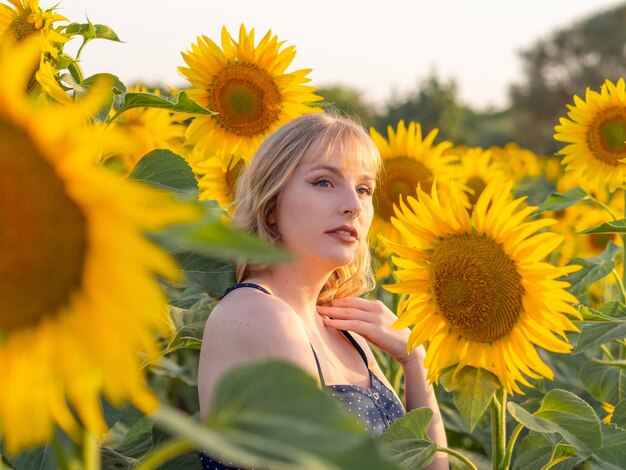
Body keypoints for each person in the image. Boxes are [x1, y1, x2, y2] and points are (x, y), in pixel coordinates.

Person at [197, 112, 448, 469]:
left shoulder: (343, 328)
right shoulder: (260, 315)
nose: (353, 205)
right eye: (324, 183)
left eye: (364, 189)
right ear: (271, 206)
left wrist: (414, 361)